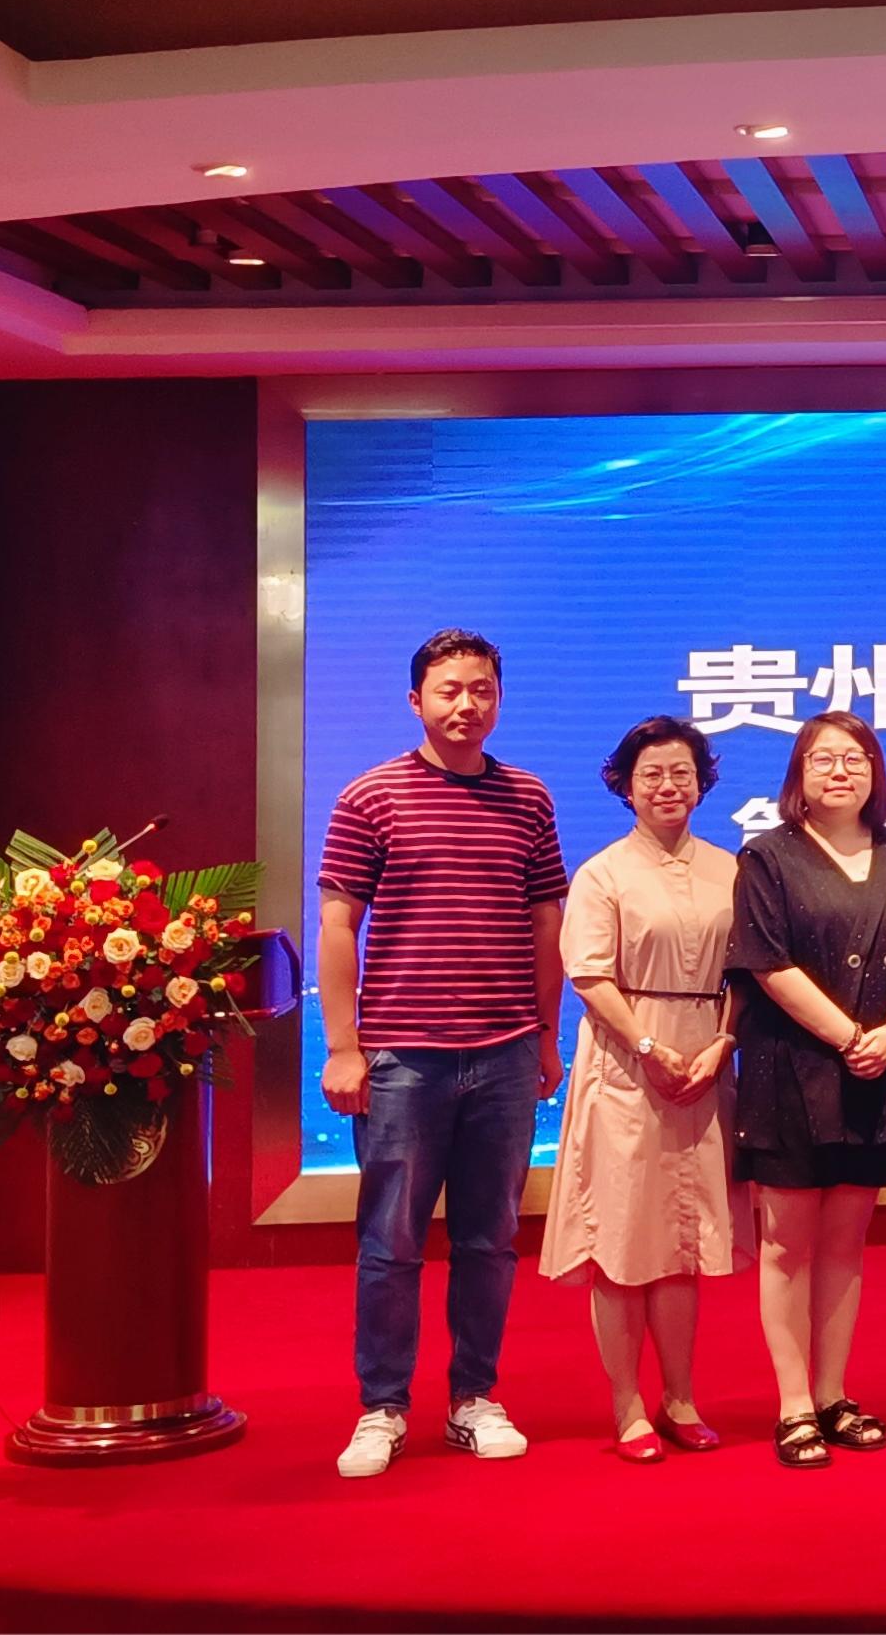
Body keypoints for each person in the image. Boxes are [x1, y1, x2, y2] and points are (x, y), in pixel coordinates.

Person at [319, 628, 568, 1479]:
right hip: (402, 1060)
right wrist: (343, 1047)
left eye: (482, 689)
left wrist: (546, 1034)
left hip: (504, 1054)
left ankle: (473, 1398)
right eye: (450, 689)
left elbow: (544, 922)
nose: (467, 704)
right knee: (390, 1243)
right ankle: (382, 1407)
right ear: (416, 700)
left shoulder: (528, 798)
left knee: (489, 1241)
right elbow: (338, 926)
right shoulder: (370, 796)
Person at [540, 715, 754, 1464]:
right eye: (651, 774)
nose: (668, 786)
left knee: (682, 1239)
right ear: (625, 787)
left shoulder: (732, 869)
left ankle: (681, 1397)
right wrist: (646, 1045)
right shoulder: (602, 873)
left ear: (702, 782)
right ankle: (628, 1404)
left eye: (681, 772)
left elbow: (748, 969)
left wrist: (723, 1042)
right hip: (627, 1064)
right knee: (624, 1238)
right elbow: (588, 974)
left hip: (706, 1063)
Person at [727, 710, 886, 1470]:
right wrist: (849, 1037)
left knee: (846, 1243)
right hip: (790, 1070)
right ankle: (793, 1405)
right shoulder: (767, 856)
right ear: (798, 776)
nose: (840, 771)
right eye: (822, 759)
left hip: (880, 1070)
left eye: (855, 758)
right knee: (786, 1244)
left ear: (875, 773)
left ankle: (834, 1394)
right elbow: (767, 965)